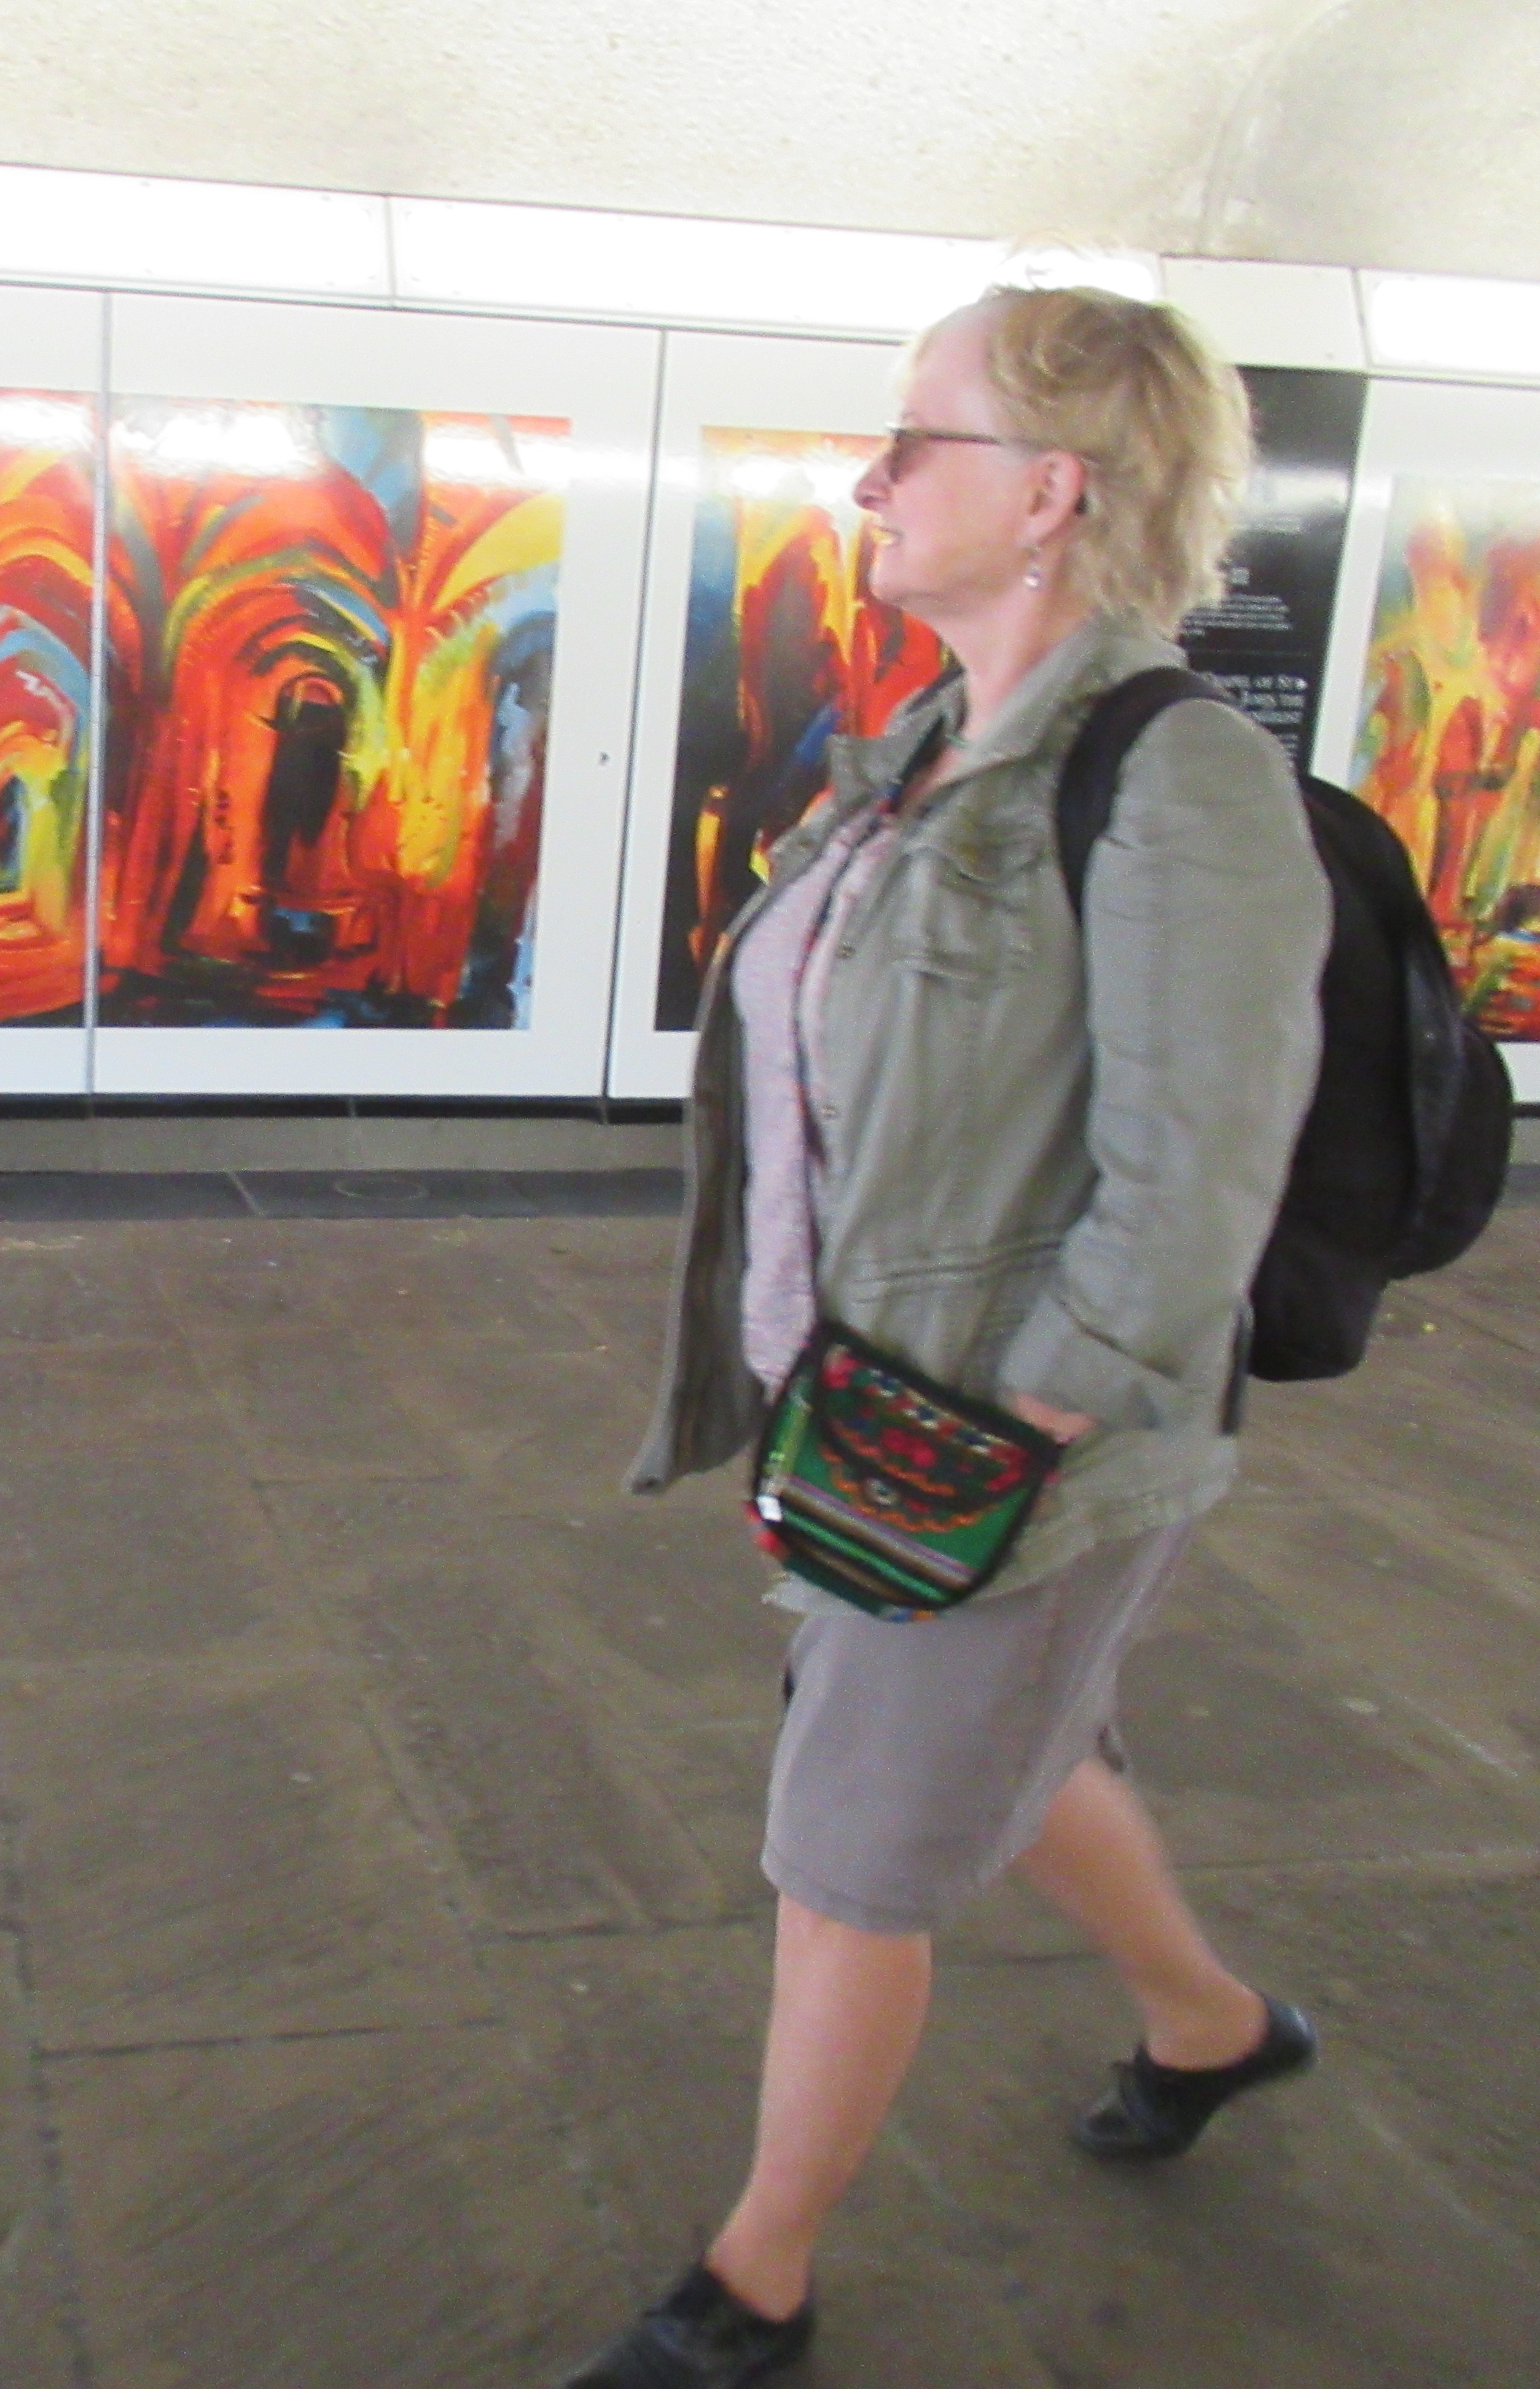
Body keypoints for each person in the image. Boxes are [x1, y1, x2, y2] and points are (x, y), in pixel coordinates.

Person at [567, 286, 1332, 2388]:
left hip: (1001, 1440)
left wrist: (1004, 1434)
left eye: (916, 439)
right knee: (1022, 1746)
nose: (871, 478)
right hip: (870, 1401)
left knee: (848, 1856)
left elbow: (1199, 1185)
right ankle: (1212, 2027)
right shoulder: (929, 748)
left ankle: (755, 2287)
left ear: (1053, 490)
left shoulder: (1177, 781)